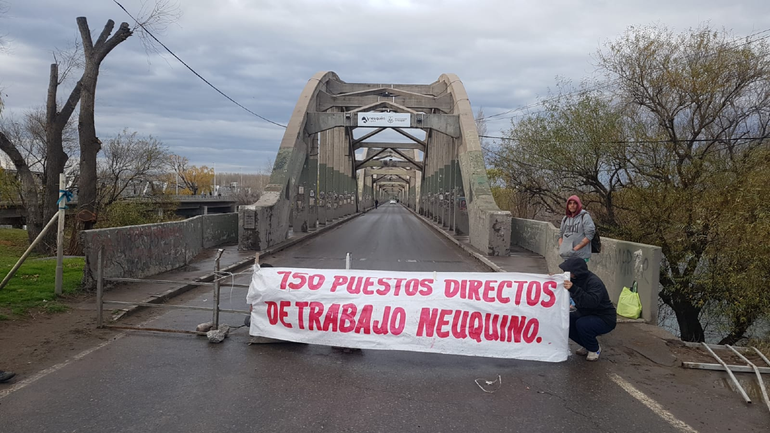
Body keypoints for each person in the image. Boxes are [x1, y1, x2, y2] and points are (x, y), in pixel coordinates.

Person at [559, 257, 616, 361]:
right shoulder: (575, 279)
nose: (565, 273)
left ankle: (594, 349)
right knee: (566, 320)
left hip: (604, 317)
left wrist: (574, 289)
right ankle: (587, 345)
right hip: (586, 313)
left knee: (583, 324)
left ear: (576, 272)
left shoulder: (594, 282)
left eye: (568, 271)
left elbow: (591, 302)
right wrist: (552, 280)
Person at [558, 195, 596, 263]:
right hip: (567, 256)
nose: (572, 205)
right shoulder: (565, 218)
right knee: (567, 274)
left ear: (578, 205)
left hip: (580, 257)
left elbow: (589, 235)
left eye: (575, 203)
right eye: (570, 203)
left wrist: (575, 249)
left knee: (577, 274)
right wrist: (562, 248)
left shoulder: (585, 216)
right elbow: (561, 235)